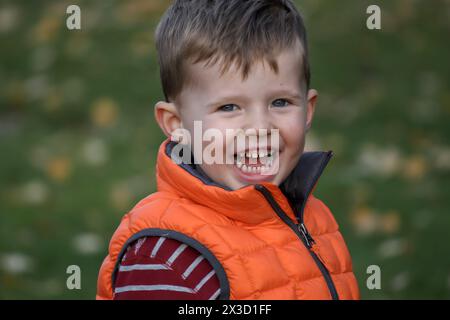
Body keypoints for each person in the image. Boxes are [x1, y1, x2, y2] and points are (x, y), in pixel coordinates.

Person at [97, 0, 360, 300]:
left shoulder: (312, 218)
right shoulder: (167, 255)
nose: (259, 127)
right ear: (176, 124)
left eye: (280, 102)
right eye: (229, 107)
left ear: (308, 111)